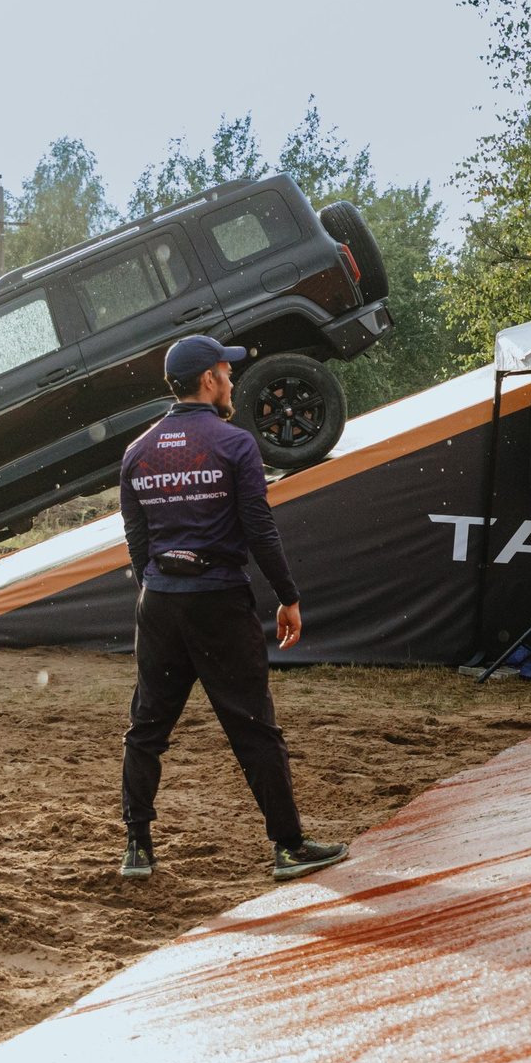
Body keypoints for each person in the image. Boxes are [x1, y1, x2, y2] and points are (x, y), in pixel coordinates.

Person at [116, 334, 347, 884]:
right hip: (218, 600)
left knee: (146, 727)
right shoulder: (236, 445)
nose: (232, 381)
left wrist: (155, 592)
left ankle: (137, 849)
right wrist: (288, 596)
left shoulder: (136, 452)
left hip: (159, 601)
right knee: (254, 728)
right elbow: (260, 531)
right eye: (226, 372)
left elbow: (138, 543)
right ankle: (288, 848)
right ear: (208, 381)